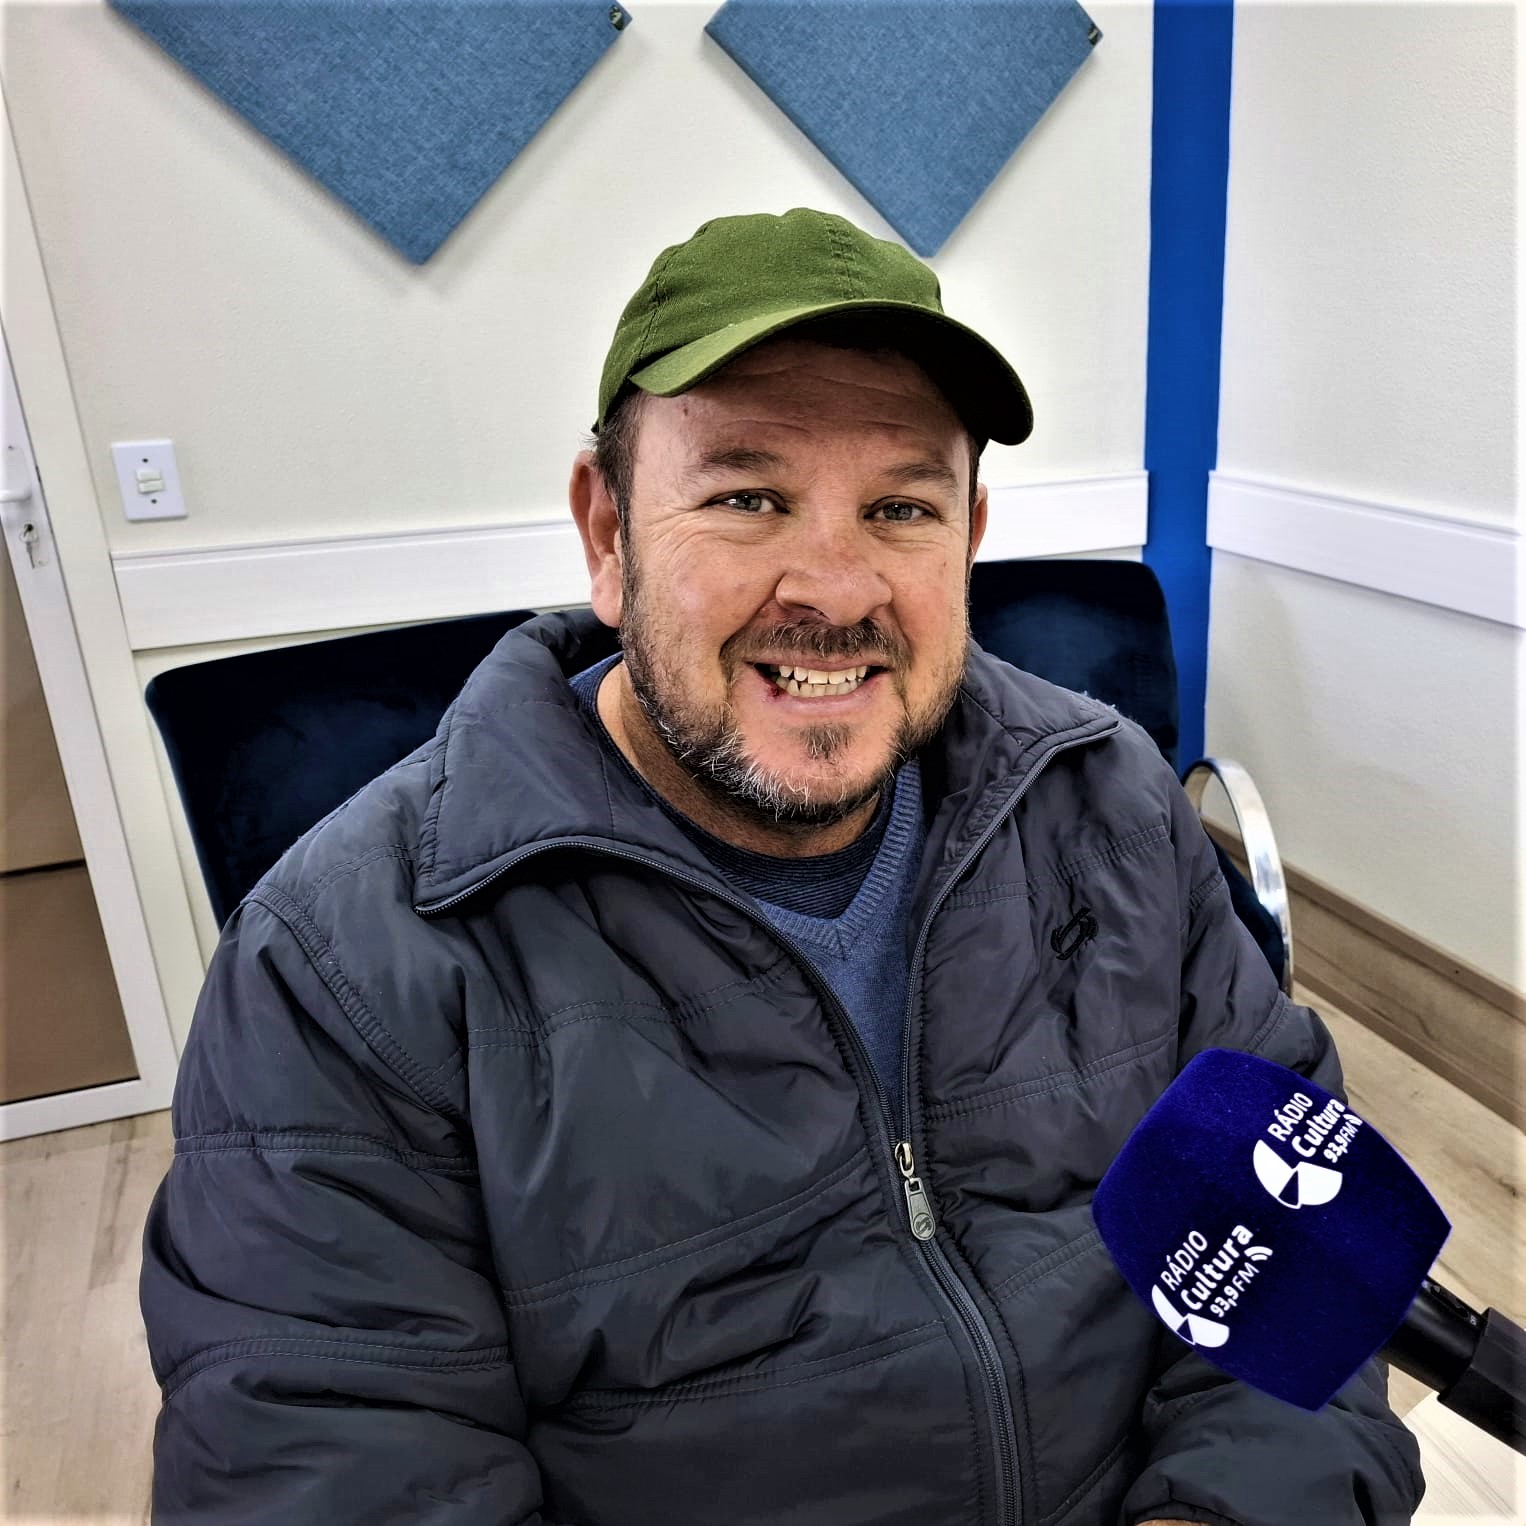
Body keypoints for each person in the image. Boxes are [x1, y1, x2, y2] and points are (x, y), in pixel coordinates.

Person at [140, 208, 1421, 1525]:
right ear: (607, 532)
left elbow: (1298, 1242)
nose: (837, 586)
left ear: (969, 535)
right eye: (747, 499)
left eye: (900, 507)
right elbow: (332, 1466)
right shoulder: (347, 967)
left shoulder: (1110, 808)